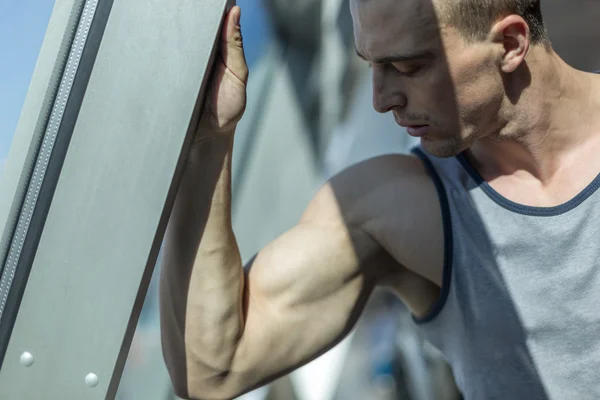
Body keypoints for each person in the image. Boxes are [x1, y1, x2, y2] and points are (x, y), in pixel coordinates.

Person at [158, 0, 600, 399]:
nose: (381, 100)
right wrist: (211, 140)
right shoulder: (399, 205)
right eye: (371, 64)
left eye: (407, 67)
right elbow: (211, 368)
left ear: (509, 43)